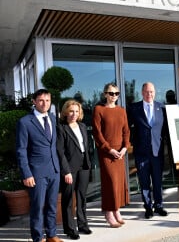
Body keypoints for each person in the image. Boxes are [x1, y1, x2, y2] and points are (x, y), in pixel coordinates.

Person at [16, 89, 63, 242]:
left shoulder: (52, 118)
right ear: (34, 102)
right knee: (37, 208)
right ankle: (38, 238)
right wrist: (26, 173)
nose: (45, 104)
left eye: (48, 100)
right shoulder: (25, 122)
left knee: (52, 206)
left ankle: (51, 235)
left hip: (54, 170)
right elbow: (21, 150)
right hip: (36, 173)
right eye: (41, 100)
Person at [127, 82, 168, 219]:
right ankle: (148, 207)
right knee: (144, 182)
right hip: (141, 152)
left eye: (151, 92)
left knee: (157, 181)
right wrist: (132, 142)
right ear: (142, 92)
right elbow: (127, 128)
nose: (149, 94)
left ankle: (159, 206)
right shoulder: (134, 108)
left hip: (157, 151)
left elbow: (166, 129)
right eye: (146, 92)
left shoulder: (161, 108)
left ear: (154, 92)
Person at [92, 83, 130, 228]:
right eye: (111, 93)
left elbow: (126, 130)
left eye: (116, 93)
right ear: (105, 94)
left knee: (119, 182)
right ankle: (108, 212)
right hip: (107, 153)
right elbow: (97, 132)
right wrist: (109, 149)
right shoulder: (99, 109)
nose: (114, 96)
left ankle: (116, 210)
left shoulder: (121, 111)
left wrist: (125, 148)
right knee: (110, 183)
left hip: (120, 153)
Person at [57, 100, 92, 240]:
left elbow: (85, 146)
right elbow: (60, 152)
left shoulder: (82, 126)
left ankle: (83, 225)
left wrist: (88, 163)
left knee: (82, 197)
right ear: (65, 112)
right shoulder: (61, 128)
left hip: (84, 166)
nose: (74, 114)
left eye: (76, 111)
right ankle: (70, 229)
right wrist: (66, 171)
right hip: (70, 169)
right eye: (71, 111)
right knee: (68, 200)